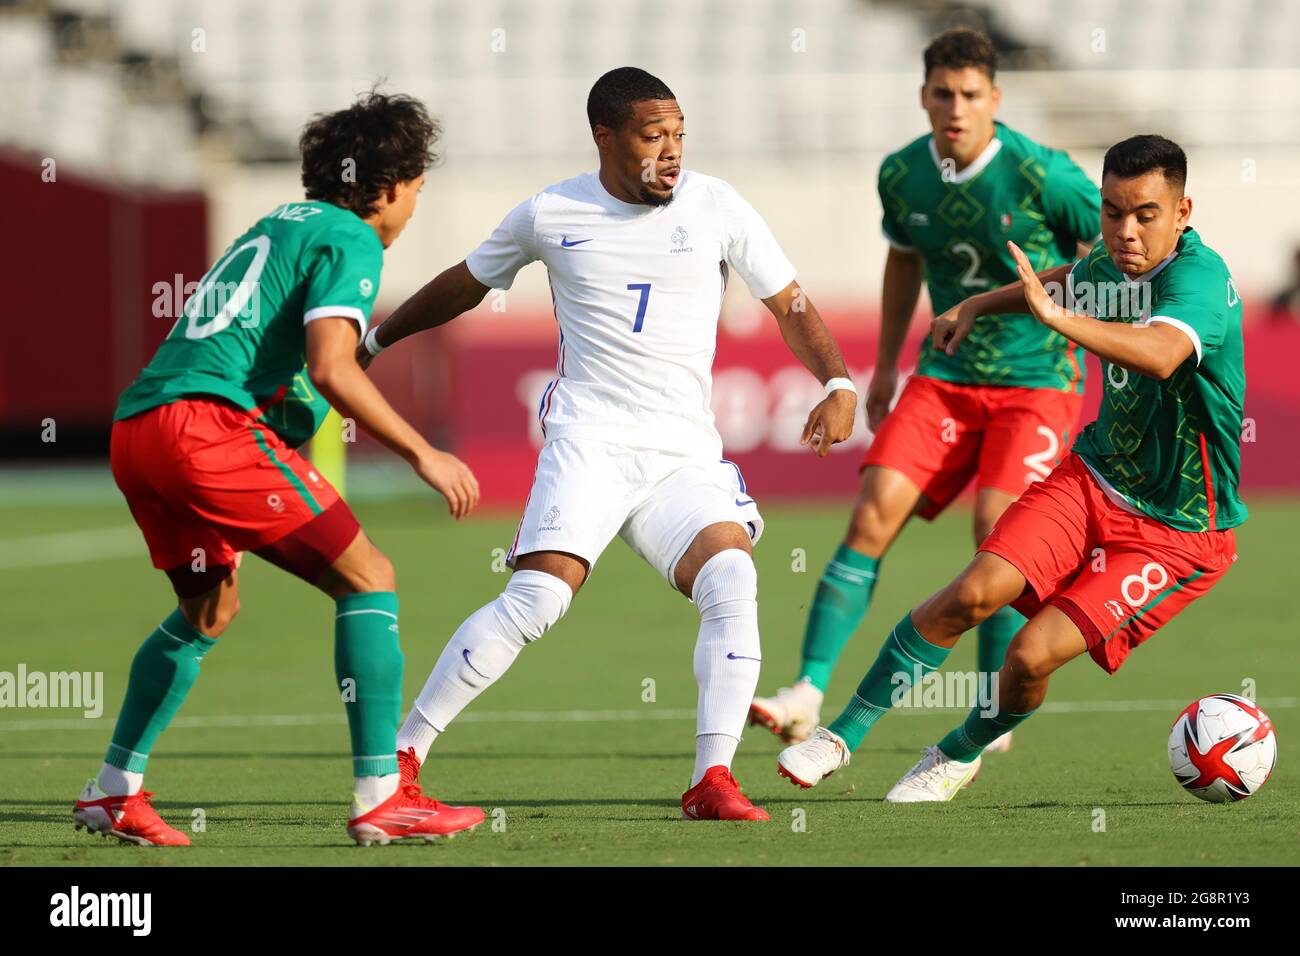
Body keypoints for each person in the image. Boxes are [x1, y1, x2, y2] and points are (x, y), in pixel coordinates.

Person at [359, 67, 857, 821]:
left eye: (680, 135)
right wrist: (378, 336)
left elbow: (789, 302)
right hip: (589, 442)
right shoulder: (551, 212)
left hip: (681, 453)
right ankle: (403, 755)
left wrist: (837, 382)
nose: (672, 152)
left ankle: (711, 780)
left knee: (731, 574)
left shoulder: (716, 204)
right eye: (653, 136)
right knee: (538, 598)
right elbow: (468, 281)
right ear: (605, 137)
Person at [776, 134, 1247, 802]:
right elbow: (1064, 282)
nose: (1125, 230)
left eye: (1144, 213)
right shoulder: (1112, 267)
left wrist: (1054, 318)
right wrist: (976, 305)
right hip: (1091, 480)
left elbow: (1162, 352)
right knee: (971, 593)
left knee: (1029, 657)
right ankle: (840, 735)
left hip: (1178, 530)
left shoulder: (1199, 280)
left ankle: (957, 752)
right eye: (1112, 212)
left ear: (1182, 211)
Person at [75, 92, 486, 846]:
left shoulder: (276, 224)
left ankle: (112, 790)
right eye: (418, 191)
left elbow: (270, 362)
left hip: (138, 428)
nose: (413, 209)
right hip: (204, 429)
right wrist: (424, 452)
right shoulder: (353, 238)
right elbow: (332, 368)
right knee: (369, 576)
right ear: (390, 186)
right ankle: (379, 797)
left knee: (209, 611)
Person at [751, 27, 1100, 750]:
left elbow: (1111, 257)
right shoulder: (903, 173)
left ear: (995, 99)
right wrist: (882, 366)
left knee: (998, 532)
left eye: (971, 94)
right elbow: (904, 261)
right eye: (943, 93)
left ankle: (992, 702)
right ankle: (806, 693)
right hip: (943, 376)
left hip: (1037, 380)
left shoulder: (1046, 176)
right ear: (923, 96)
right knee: (873, 513)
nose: (956, 107)